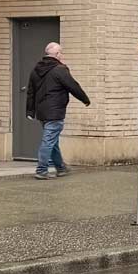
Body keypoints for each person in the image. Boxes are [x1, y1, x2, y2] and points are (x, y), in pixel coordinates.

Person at [25, 42, 90, 180]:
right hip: (55, 112)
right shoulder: (60, 69)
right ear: (57, 54)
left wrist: (30, 111)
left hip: (42, 112)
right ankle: (41, 170)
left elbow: (31, 91)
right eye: (61, 52)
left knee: (52, 140)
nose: (62, 55)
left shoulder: (36, 69)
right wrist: (85, 99)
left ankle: (61, 167)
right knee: (48, 141)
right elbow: (73, 86)